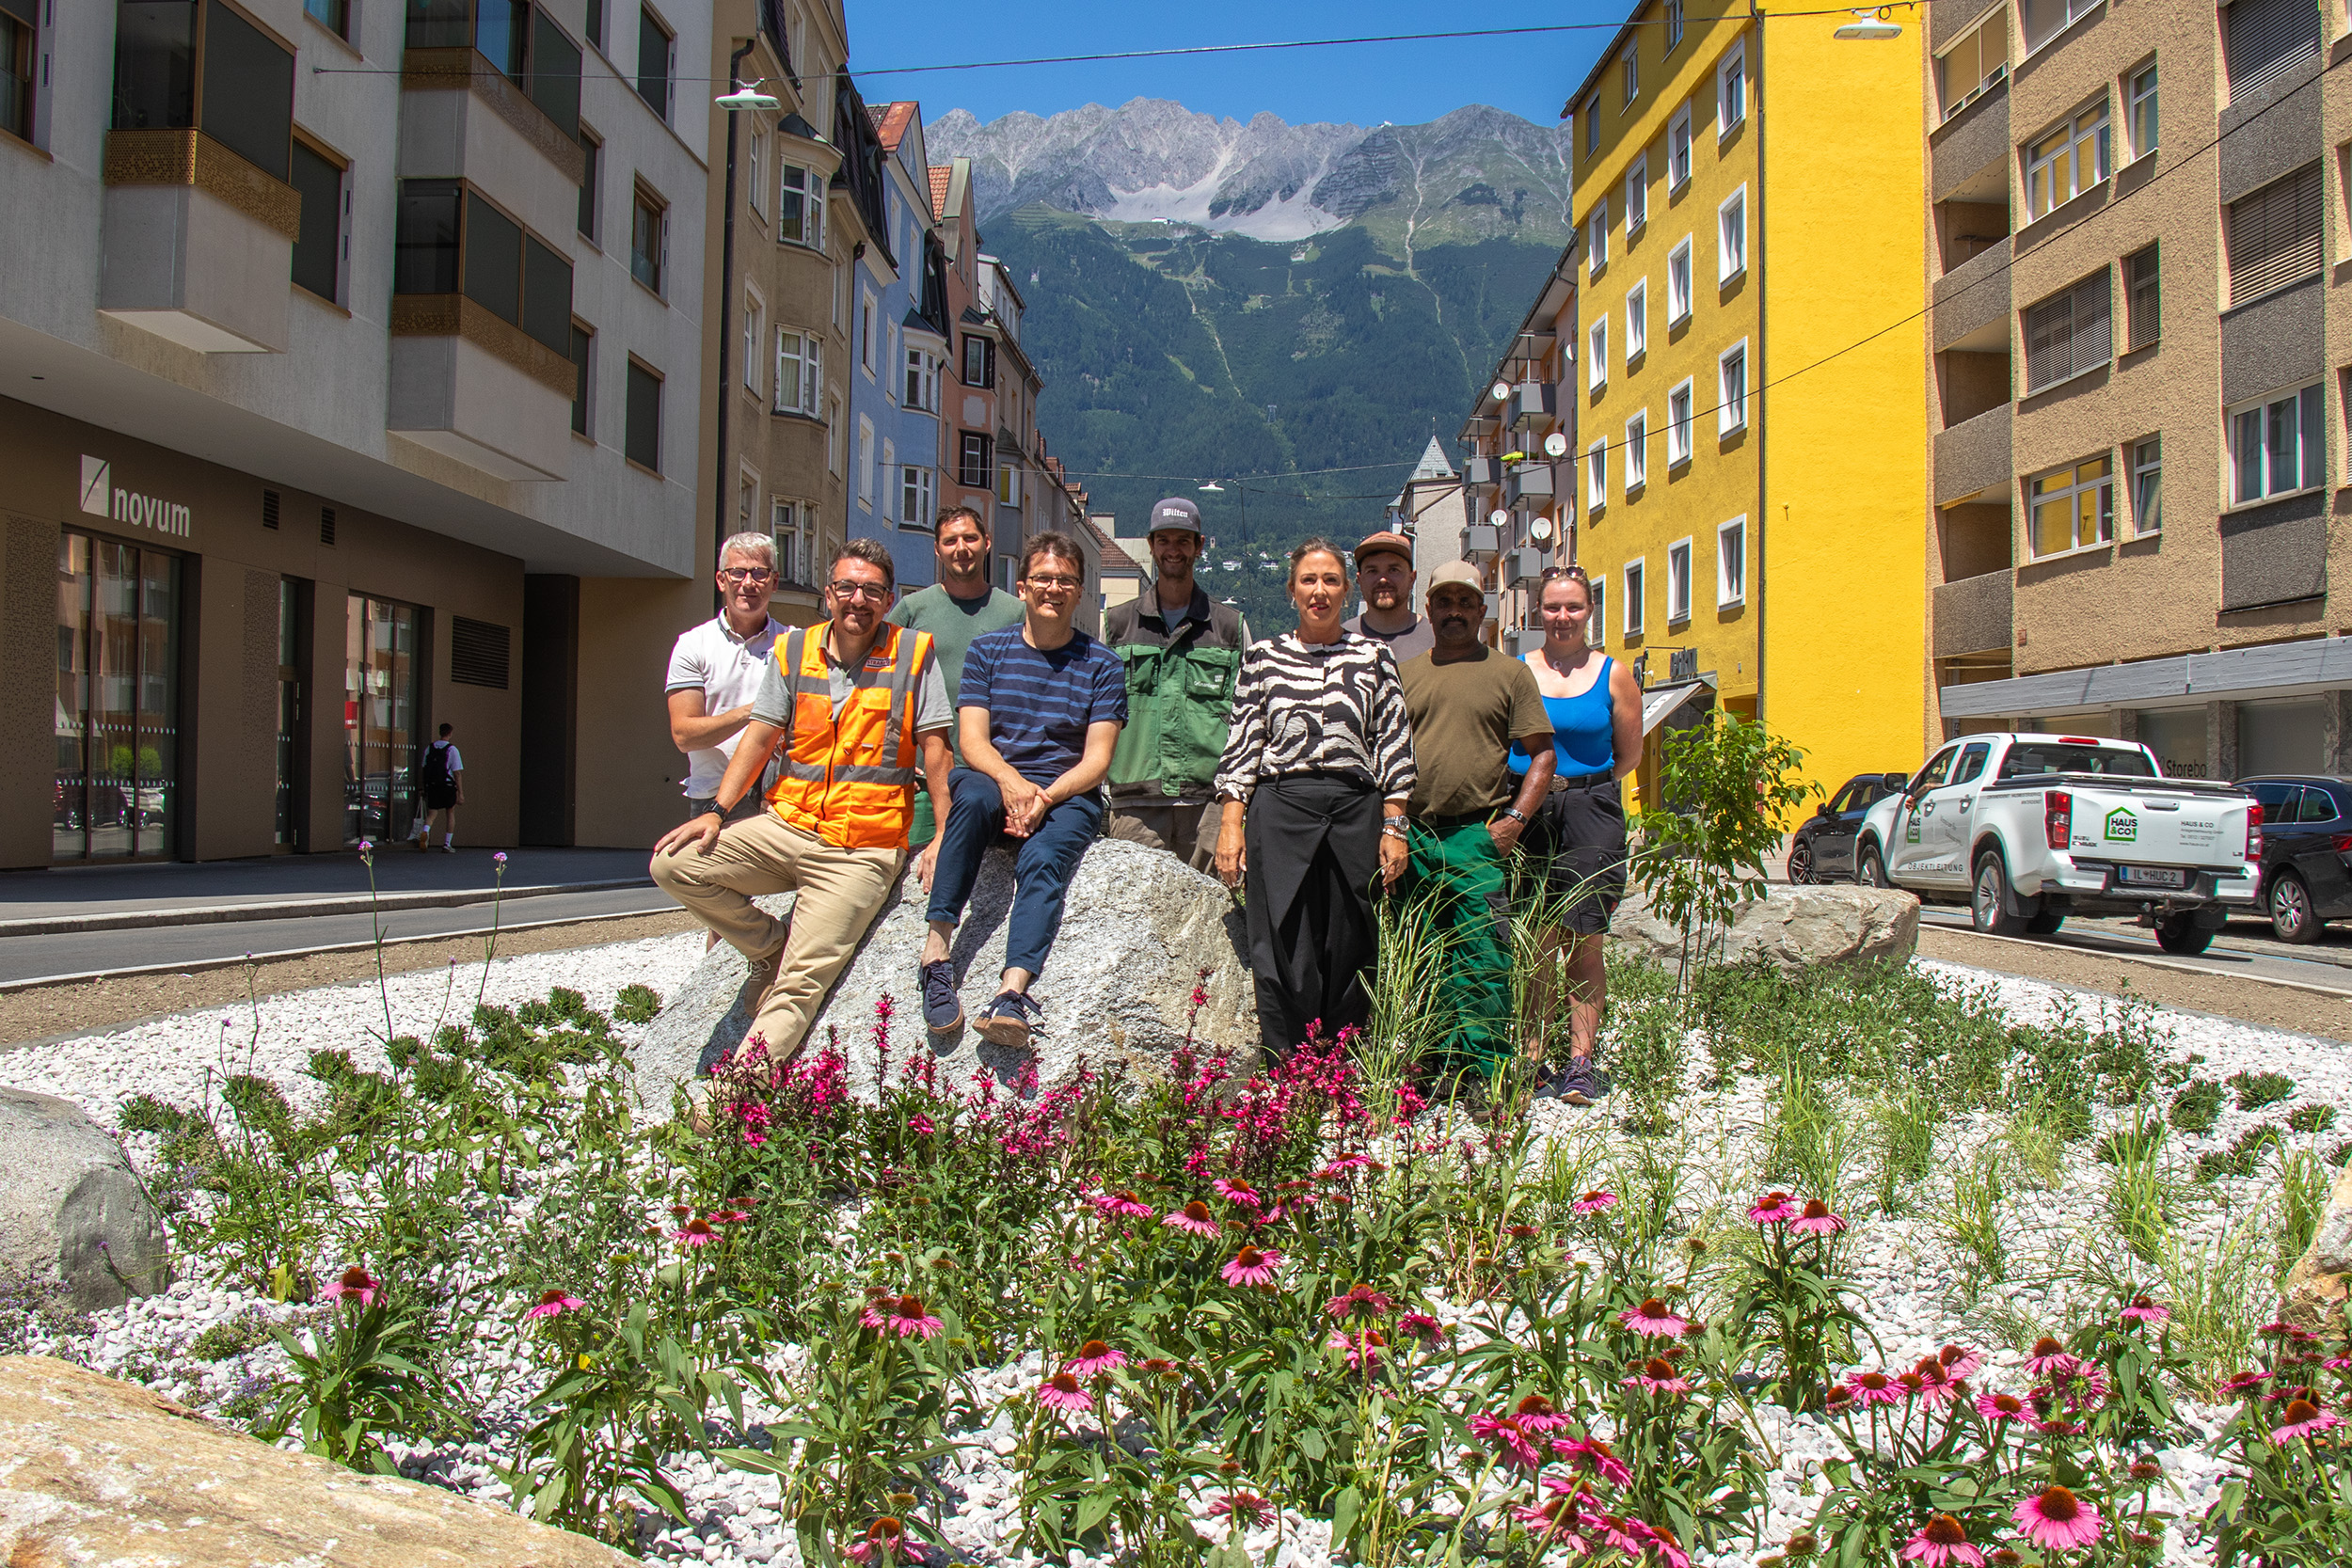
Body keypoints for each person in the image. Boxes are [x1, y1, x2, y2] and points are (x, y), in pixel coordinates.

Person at [651, 540, 953, 1066]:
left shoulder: (915, 652)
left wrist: (944, 836)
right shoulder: (794, 651)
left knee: (799, 984)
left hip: (861, 848)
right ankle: (767, 945)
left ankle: (732, 1098)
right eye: (846, 587)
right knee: (673, 864)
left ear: (887, 598)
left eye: (872, 590)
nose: (857, 599)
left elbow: (936, 752)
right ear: (828, 594)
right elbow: (760, 735)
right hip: (788, 825)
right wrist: (718, 814)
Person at [918, 531, 1127, 1050]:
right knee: (969, 799)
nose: (1053, 588)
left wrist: (1044, 798)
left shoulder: (1101, 664)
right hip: (994, 780)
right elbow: (972, 742)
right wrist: (1013, 785)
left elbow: (1097, 760)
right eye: (1043, 578)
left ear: (1079, 592)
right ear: (1023, 586)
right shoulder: (988, 652)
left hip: (1065, 793)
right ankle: (936, 954)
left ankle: (1012, 994)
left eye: (1065, 580)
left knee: (1044, 857)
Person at [1214, 539, 1415, 1058]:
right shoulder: (1262, 658)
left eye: (1330, 580)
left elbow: (1393, 741)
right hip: (1281, 807)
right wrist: (1231, 821)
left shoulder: (1374, 657)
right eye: (1308, 580)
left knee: (1353, 938)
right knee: (1281, 938)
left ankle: (1343, 1065)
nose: (1319, 591)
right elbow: (1244, 742)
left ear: (1347, 591)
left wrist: (1395, 826)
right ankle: (1289, 1066)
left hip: (1354, 808)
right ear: (1291, 590)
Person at [1396, 562, 1556, 1076]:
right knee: (1422, 951)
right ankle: (1434, 1065)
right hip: (1415, 835)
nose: (1455, 612)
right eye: (1444, 602)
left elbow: (1543, 755)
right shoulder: (1406, 674)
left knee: (1483, 957)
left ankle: (1486, 1073)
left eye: (1465, 602)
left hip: (1476, 835)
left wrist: (1513, 820)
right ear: (1429, 609)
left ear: (1482, 611)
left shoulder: (1509, 673)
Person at [1510, 566, 1643, 1105]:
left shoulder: (1614, 674)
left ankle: (1581, 1062)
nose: (1562, 617)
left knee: (1584, 938)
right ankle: (1535, 1056)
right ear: (1536, 612)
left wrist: (1585, 791)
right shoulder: (1518, 671)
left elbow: (1629, 755)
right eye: (1552, 607)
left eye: (1573, 607)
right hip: (1529, 809)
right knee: (1537, 940)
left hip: (1591, 808)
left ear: (1589, 611)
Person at [1104, 496, 1250, 869]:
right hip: (1135, 804)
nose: (1173, 550)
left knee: (1213, 918)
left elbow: (1250, 720)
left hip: (1208, 807)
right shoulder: (1117, 625)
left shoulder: (1230, 627)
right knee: (1134, 919)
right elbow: (1098, 712)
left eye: (1183, 541)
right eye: (1165, 540)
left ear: (1199, 547)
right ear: (1151, 545)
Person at [885, 505, 1025, 854]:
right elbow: (881, 685)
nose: (960, 548)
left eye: (970, 538)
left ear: (987, 543)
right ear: (937, 549)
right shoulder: (911, 611)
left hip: (993, 779)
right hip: (921, 780)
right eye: (950, 541)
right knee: (917, 877)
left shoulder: (1015, 614)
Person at [666, 532, 790, 823]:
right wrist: (758, 711)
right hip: (712, 795)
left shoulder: (794, 644)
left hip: (783, 799)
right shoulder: (693, 644)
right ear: (722, 580)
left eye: (760, 573)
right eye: (738, 573)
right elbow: (684, 735)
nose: (749, 583)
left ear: (774, 582)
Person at [1343, 531, 1436, 662]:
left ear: (1412, 578)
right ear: (1359, 580)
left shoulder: (1435, 641)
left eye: (1393, 570)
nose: (1383, 579)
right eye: (1372, 571)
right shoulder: (1342, 641)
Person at [412, 723, 463, 852]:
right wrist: (460, 792)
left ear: (440, 732)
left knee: (431, 814)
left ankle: (425, 832)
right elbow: (457, 772)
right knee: (450, 812)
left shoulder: (430, 748)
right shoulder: (452, 750)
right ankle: (447, 843)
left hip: (433, 785)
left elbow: (424, 767)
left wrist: (423, 786)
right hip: (447, 785)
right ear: (450, 733)